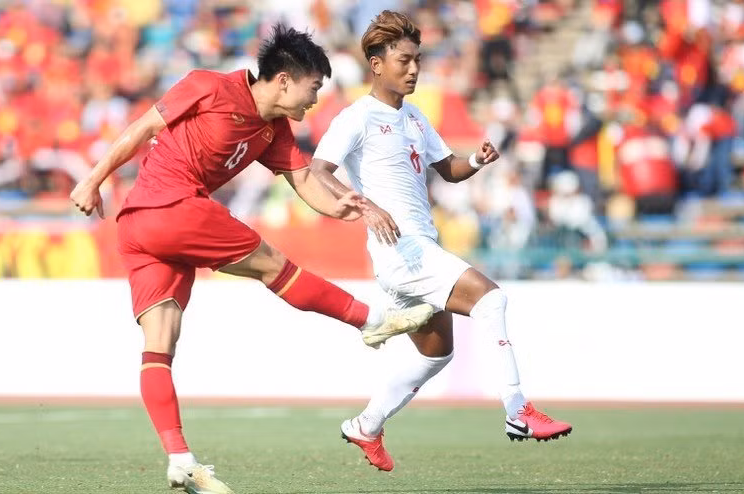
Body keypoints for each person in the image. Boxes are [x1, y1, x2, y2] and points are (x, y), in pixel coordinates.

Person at [70, 25, 433, 494]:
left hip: (139, 225)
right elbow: (144, 127)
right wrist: (92, 179)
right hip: (173, 206)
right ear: (284, 80)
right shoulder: (208, 85)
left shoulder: (274, 131)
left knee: (159, 345)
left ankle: (180, 460)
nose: (315, 100)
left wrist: (345, 208)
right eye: (313, 88)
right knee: (273, 266)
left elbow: (306, 183)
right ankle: (370, 320)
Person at [311, 11, 572, 472]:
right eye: (404, 61)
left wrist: (477, 160)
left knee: (436, 354)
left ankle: (366, 426)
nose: (414, 69)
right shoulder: (357, 117)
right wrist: (365, 207)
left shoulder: (414, 116)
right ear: (376, 64)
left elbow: (448, 169)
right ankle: (518, 411)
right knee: (492, 300)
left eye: (418, 60)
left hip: (417, 248)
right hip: (400, 249)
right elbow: (318, 170)